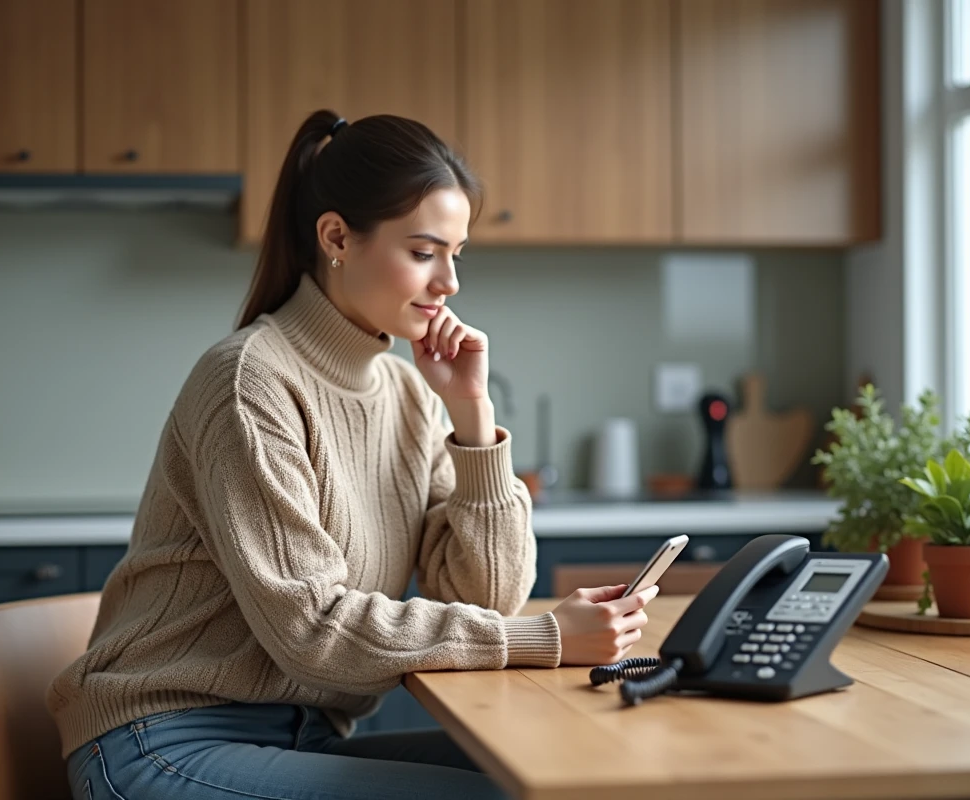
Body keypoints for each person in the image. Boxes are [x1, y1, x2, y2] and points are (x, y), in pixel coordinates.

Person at [47, 109, 659, 800]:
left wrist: (473, 420)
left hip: (300, 738)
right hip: (159, 747)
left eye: (457, 253)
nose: (450, 281)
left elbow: (486, 595)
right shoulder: (250, 381)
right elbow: (310, 630)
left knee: (565, 774)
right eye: (425, 252)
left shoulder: (408, 392)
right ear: (336, 237)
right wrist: (543, 638)